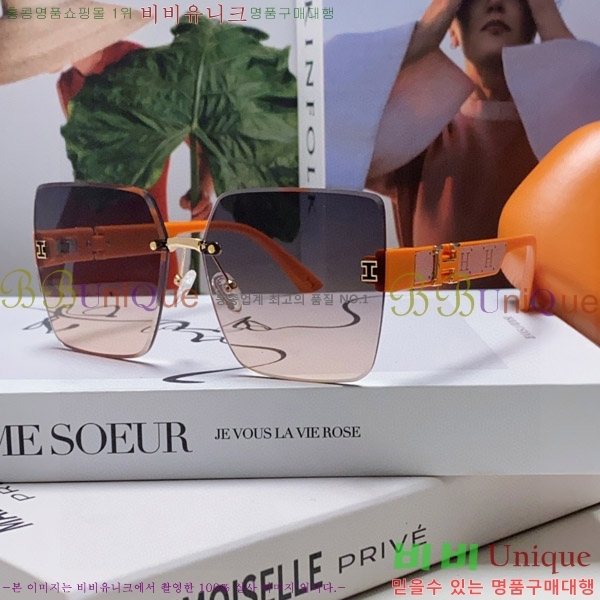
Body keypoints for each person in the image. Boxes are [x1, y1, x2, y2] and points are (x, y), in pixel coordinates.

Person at [325, 0, 600, 285]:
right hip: (440, 314)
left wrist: (552, 24)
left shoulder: (564, 135)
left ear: (533, 22)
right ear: (452, 29)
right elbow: (315, 121)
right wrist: (421, 36)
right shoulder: (417, 133)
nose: (495, 4)